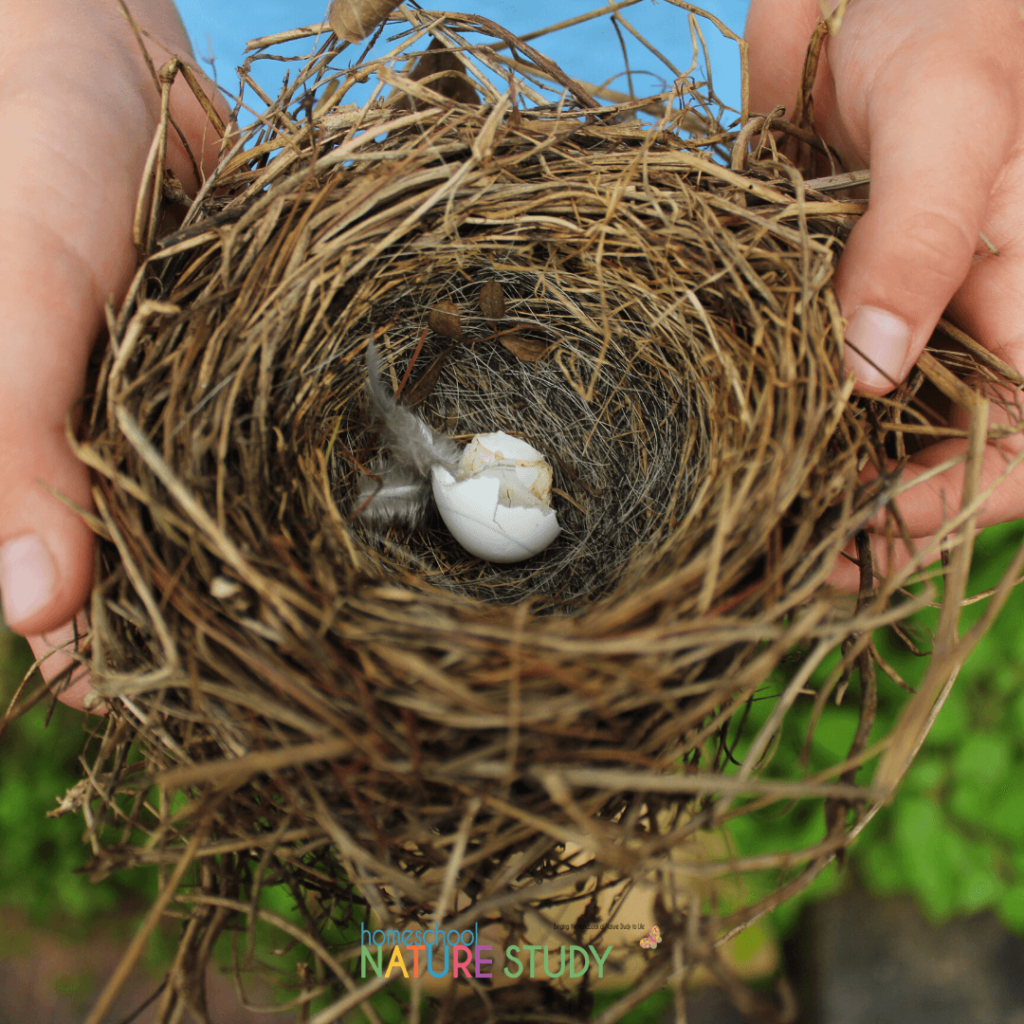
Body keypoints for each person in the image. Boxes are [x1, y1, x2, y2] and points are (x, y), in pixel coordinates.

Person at [2, 0, 1022, 712]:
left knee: (628, 704)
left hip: (723, 150)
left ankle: (542, 947)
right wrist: (67, 30)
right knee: (451, 866)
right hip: (252, 144)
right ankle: (474, 958)